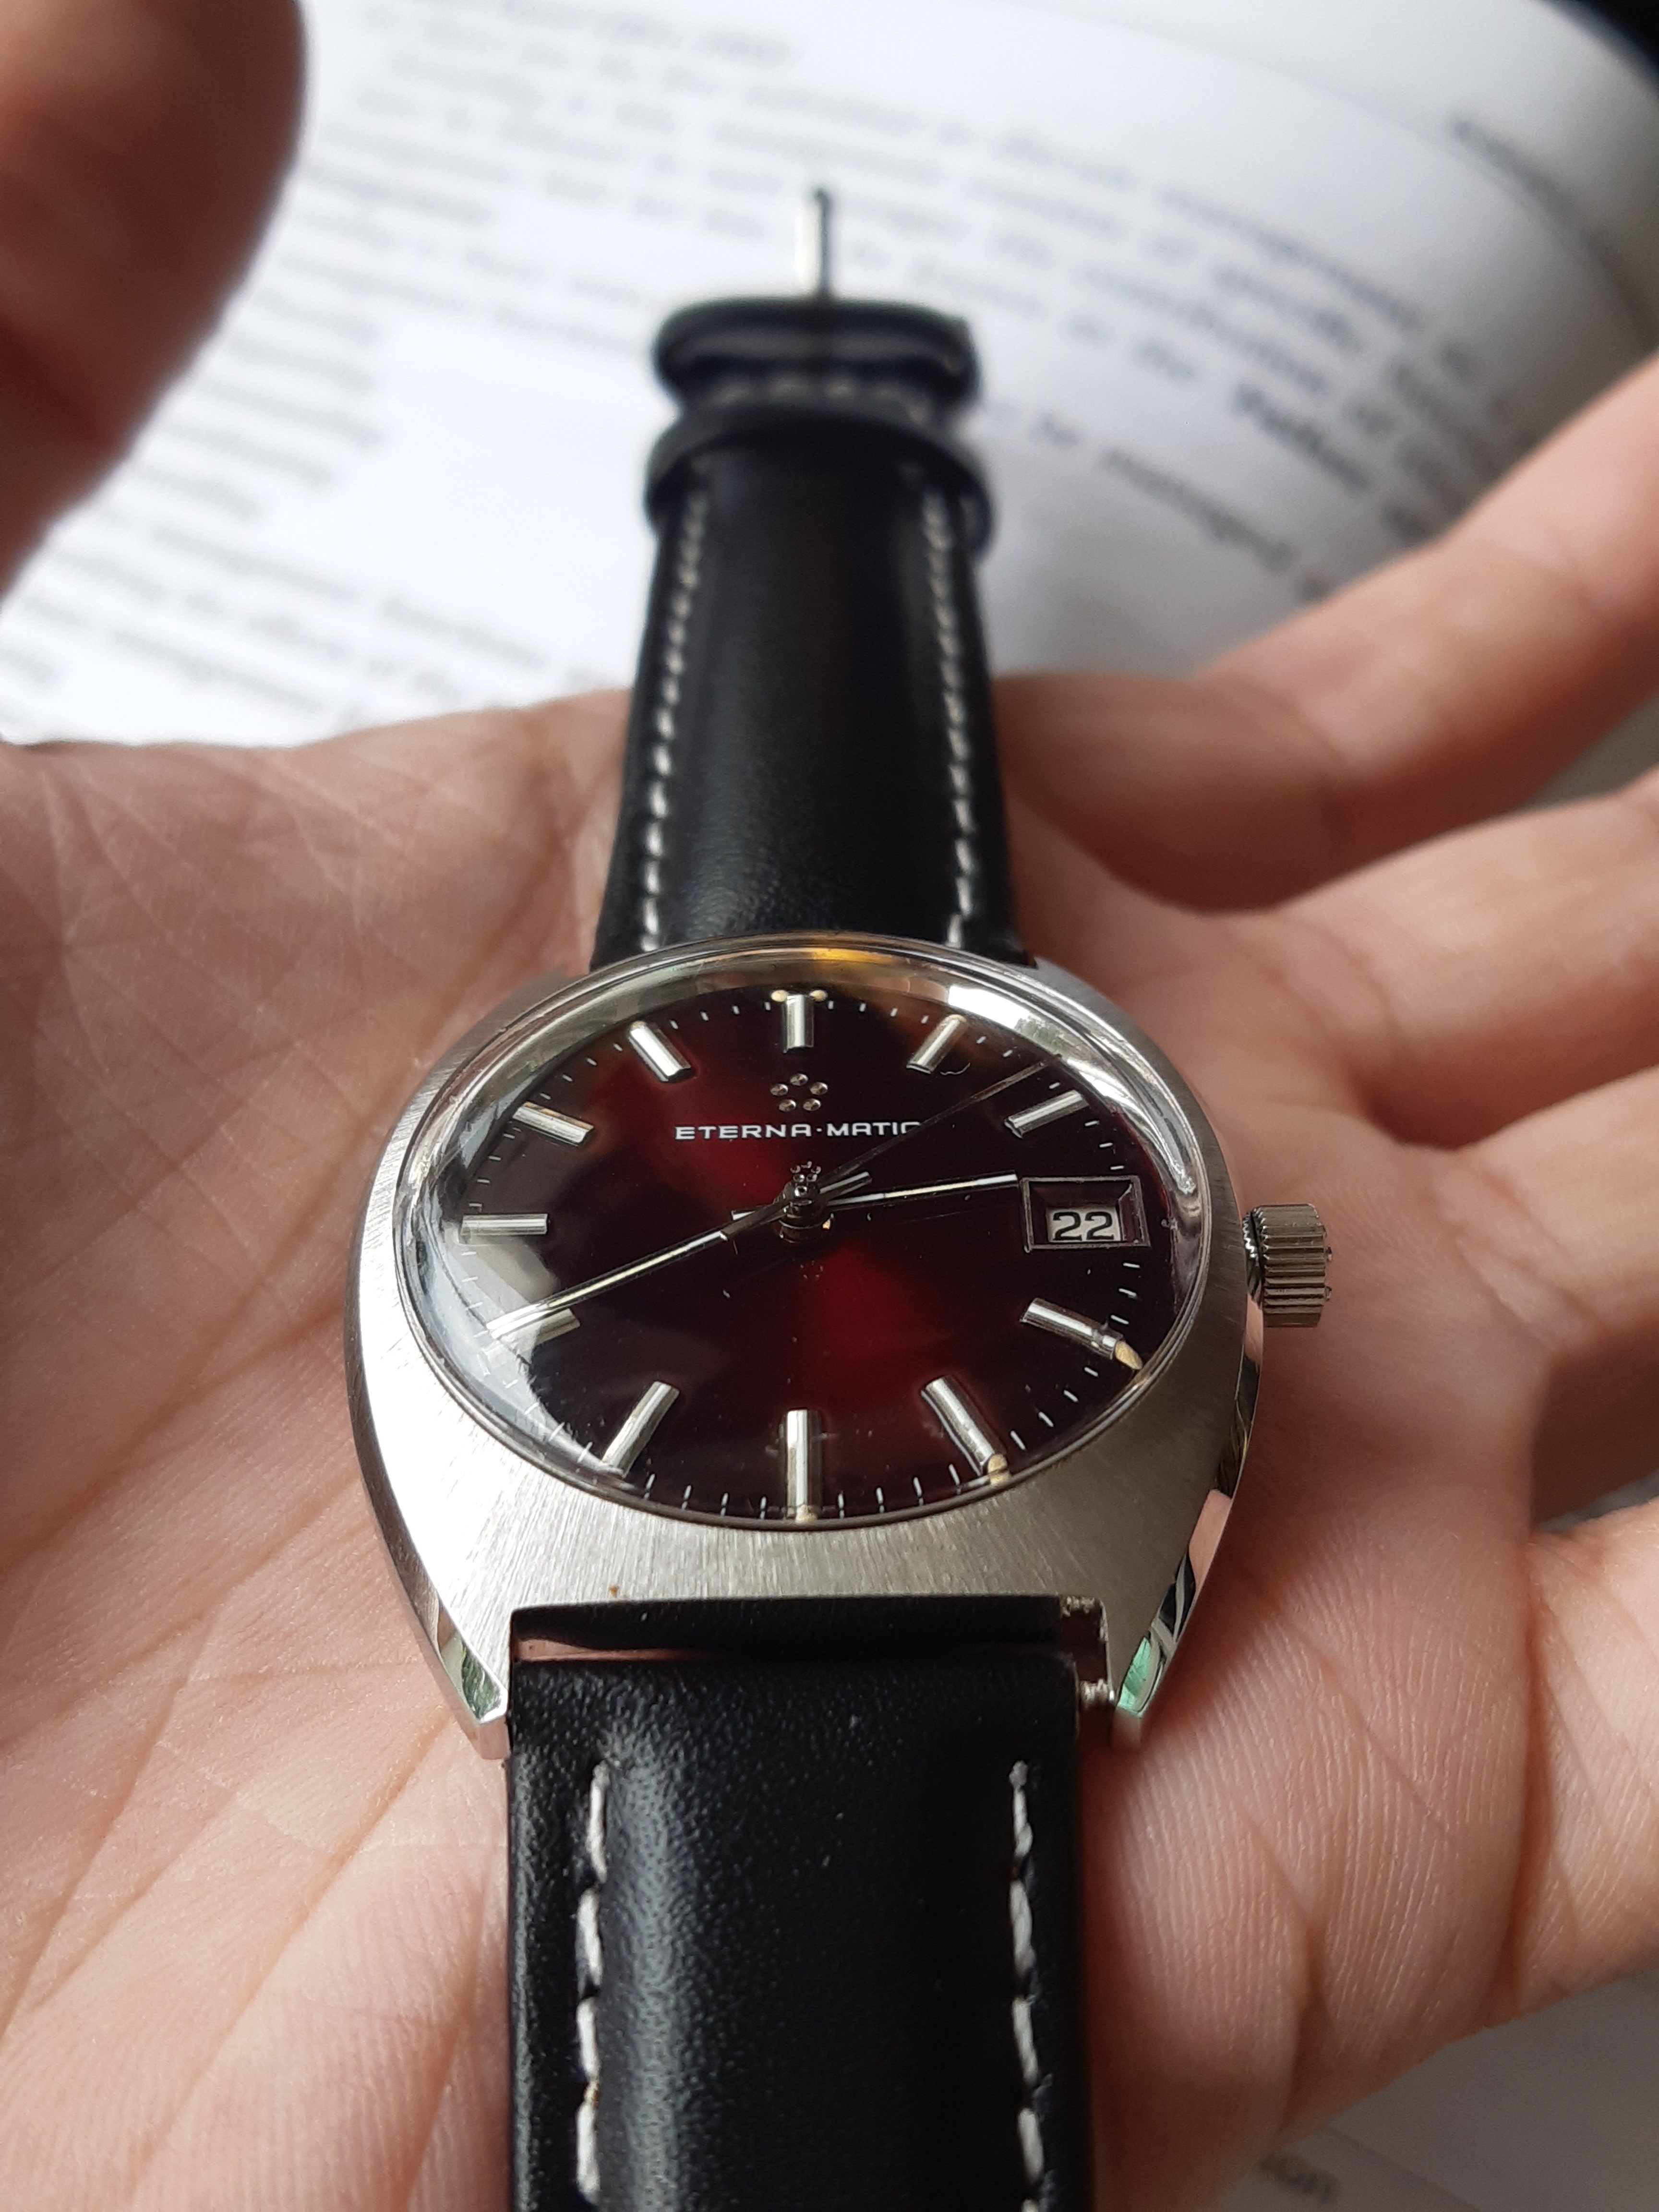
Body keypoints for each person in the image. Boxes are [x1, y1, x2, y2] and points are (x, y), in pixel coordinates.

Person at [0, 3, 1654, 2206]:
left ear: (1244, 1269)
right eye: (763, 1214)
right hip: (725, 1562)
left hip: (895, 1555)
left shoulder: (976, 1228)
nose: (796, 1224)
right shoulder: (616, 1196)